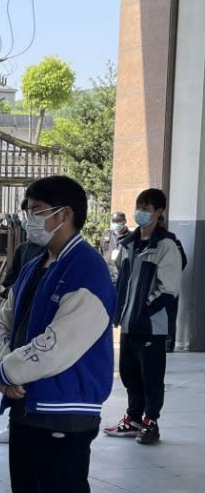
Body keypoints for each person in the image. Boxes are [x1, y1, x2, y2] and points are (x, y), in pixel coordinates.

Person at [0, 175, 116, 493]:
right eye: (28, 209)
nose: (29, 218)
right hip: (28, 403)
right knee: (29, 490)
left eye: (36, 210)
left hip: (67, 405)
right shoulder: (35, 264)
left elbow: (60, 343)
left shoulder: (87, 270)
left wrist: (10, 371)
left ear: (65, 214)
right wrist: (2, 366)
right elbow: (5, 320)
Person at [103, 188, 183, 445]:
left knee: (151, 377)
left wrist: (144, 310)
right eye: (139, 208)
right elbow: (121, 279)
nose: (141, 213)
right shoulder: (129, 244)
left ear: (159, 212)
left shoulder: (166, 245)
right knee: (129, 373)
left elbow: (169, 289)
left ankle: (151, 422)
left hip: (151, 326)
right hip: (129, 323)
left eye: (146, 209)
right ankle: (133, 418)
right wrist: (120, 311)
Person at [0, 203, 47, 444]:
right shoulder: (24, 250)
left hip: (41, 324)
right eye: (28, 214)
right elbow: (9, 279)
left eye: (36, 213)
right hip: (20, 318)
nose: (30, 219)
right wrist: (17, 292)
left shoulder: (60, 255)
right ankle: (13, 422)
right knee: (16, 372)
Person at [99, 210, 130, 282]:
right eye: (113, 221)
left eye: (118, 221)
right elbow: (101, 253)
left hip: (122, 278)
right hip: (107, 276)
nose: (115, 223)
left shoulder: (131, 237)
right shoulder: (106, 235)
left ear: (125, 221)